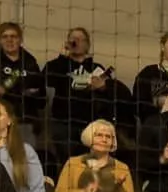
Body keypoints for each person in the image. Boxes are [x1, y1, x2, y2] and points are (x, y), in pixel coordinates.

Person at [43, 29, 130, 157]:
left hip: (91, 122)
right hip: (64, 122)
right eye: (73, 39)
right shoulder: (57, 65)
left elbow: (112, 96)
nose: (76, 42)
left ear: (87, 45)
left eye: (80, 39)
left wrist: (103, 87)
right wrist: (62, 58)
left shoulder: (96, 68)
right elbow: (46, 81)